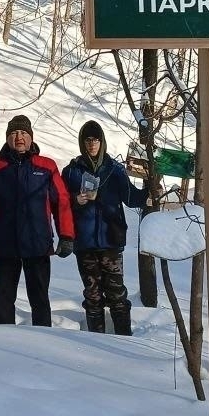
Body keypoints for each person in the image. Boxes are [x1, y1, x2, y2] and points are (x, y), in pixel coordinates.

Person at [0, 115, 74, 327]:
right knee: (4, 302)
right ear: (7, 138)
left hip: (38, 244)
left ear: (31, 137)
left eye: (23, 133)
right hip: (4, 245)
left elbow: (62, 201)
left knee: (40, 300)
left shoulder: (47, 167)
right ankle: (5, 347)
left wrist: (66, 235)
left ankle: (44, 343)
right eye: (14, 133)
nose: (19, 137)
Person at [62, 120, 147, 336]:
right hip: (85, 243)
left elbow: (131, 198)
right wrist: (75, 200)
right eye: (88, 140)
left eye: (96, 139)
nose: (92, 144)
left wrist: (149, 187)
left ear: (102, 142)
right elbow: (58, 202)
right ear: (82, 142)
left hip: (111, 240)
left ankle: (124, 340)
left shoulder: (115, 170)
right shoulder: (72, 171)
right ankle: (96, 343)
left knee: (117, 294)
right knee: (93, 296)